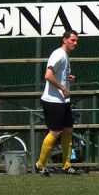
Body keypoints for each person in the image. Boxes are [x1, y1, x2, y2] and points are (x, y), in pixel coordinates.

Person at [35, 29, 80, 176]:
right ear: (64, 40)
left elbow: (58, 74)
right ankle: (40, 165)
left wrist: (68, 78)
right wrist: (63, 88)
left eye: (76, 41)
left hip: (63, 101)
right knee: (55, 131)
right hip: (53, 100)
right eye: (72, 40)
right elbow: (48, 75)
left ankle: (66, 165)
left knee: (68, 130)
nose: (75, 43)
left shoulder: (65, 55)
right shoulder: (58, 54)